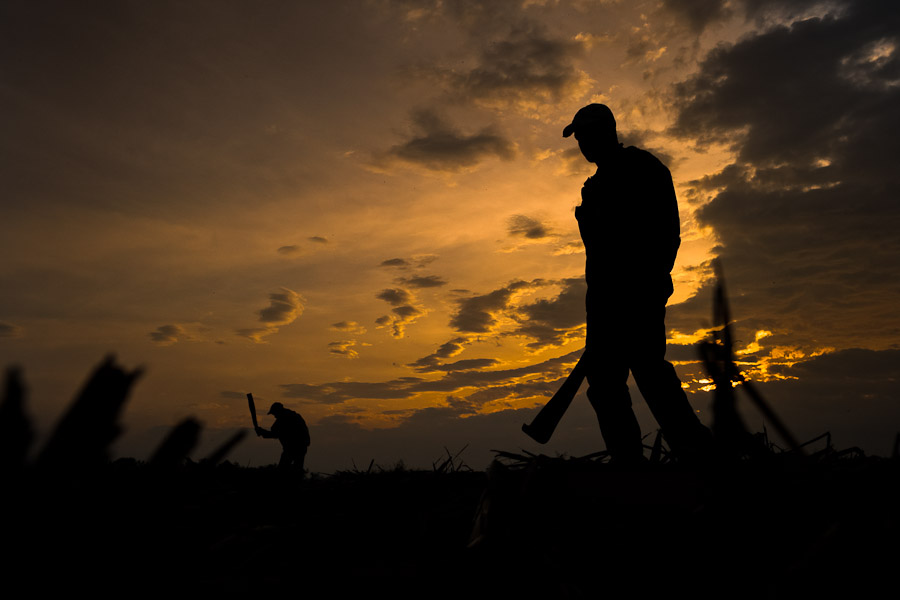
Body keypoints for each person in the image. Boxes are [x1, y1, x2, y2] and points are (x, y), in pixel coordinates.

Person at [563, 103, 711, 464]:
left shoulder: (643, 170)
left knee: (648, 371)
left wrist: (648, 285)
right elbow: (599, 254)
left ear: (605, 133)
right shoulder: (595, 187)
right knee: (605, 383)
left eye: (585, 135)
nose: (582, 144)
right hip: (602, 301)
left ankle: (697, 451)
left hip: (638, 294)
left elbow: (665, 235)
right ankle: (628, 462)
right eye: (578, 138)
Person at [256, 402, 310, 472]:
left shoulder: (283, 419)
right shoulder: (295, 416)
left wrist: (261, 432)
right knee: (297, 469)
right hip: (302, 447)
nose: (274, 416)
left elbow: (275, 434)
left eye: (274, 413)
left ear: (278, 411)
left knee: (283, 470)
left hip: (292, 448)